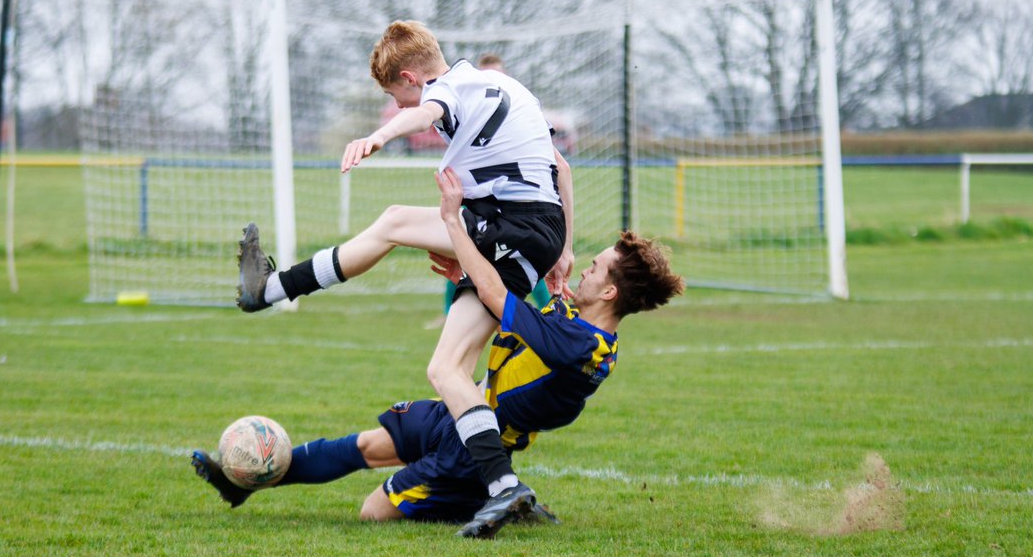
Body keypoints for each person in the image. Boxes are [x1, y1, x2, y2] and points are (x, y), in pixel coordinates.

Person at [193, 166, 685, 537]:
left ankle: (488, 497)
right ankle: (243, 486)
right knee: (361, 447)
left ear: (610, 294)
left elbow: (498, 297)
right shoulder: (582, 330)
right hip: (463, 412)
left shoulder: (579, 345)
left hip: (473, 447)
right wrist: (465, 279)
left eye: (595, 269)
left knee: (372, 512)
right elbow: (499, 311)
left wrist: (453, 222)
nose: (585, 271)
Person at [236, 20, 575, 532]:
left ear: (412, 76)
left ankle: (269, 290)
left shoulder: (447, 91)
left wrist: (379, 135)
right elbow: (562, 169)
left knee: (393, 220)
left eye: (396, 95)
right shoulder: (502, 85)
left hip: (515, 224)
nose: (398, 107)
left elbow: (427, 112)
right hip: (532, 229)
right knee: (447, 370)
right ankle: (505, 488)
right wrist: (563, 249)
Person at [426, 52, 550, 329]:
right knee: (461, 252)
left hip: (514, 202)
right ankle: (452, 313)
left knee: (522, 256)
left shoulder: (517, 116)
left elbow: (558, 165)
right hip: (478, 197)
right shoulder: (469, 109)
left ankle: (542, 311)